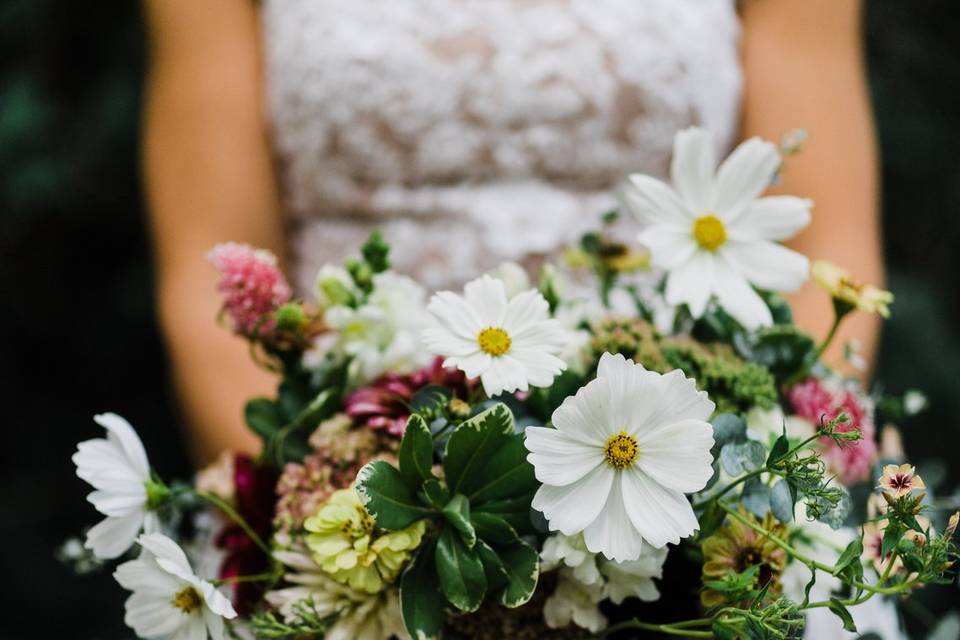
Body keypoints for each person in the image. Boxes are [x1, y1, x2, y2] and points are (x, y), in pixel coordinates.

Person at [143, 0, 881, 463]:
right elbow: (215, 286)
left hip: (679, 480)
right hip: (351, 497)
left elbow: (826, 253)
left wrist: (739, 498)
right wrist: (341, 529)